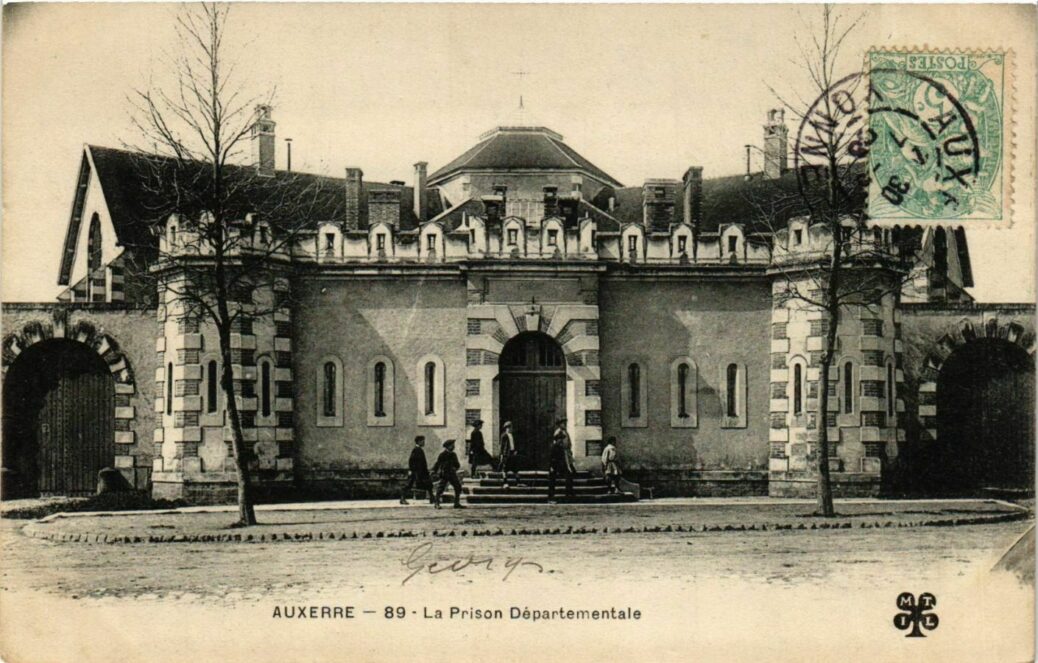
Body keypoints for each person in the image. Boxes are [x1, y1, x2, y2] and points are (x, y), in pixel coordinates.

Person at [547, 418, 575, 502]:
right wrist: (551, 466)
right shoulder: (555, 445)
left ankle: (569, 492)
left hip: (563, 459)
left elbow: (568, 445)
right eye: (563, 423)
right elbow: (552, 456)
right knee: (553, 479)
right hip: (556, 463)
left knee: (570, 474)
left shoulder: (565, 433)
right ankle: (551, 497)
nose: (561, 441)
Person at [432, 439, 465, 509]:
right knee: (440, 489)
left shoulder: (453, 454)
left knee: (458, 487)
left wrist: (455, 468)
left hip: (452, 474)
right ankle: (437, 503)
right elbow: (437, 463)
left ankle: (456, 503)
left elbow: (457, 464)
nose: (453, 446)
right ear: (447, 446)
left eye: (453, 445)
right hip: (445, 474)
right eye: (452, 445)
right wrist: (434, 471)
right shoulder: (442, 454)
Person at [400, 435, 433, 505]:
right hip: (416, 472)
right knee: (409, 485)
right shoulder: (416, 450)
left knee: (429, 484)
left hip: (421, 472)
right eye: (423, 441)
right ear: (419, 441)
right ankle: (402, 499)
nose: (424, 442)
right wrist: (412, 470)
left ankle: (432, 498)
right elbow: (411, 461)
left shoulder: (419, 450)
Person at [498, 421, 522, 487]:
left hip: (512, 453)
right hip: (506, 454)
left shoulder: (512, 435)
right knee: (505, 469)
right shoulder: (504, 436)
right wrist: (501, 455)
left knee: (515, 469)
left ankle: (518, 482)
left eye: (511, 427)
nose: (511, 429)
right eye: (510, 427)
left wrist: (515, 450)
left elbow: (513, 444)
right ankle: (505, 483)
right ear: (506, 428)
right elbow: (502, 446)